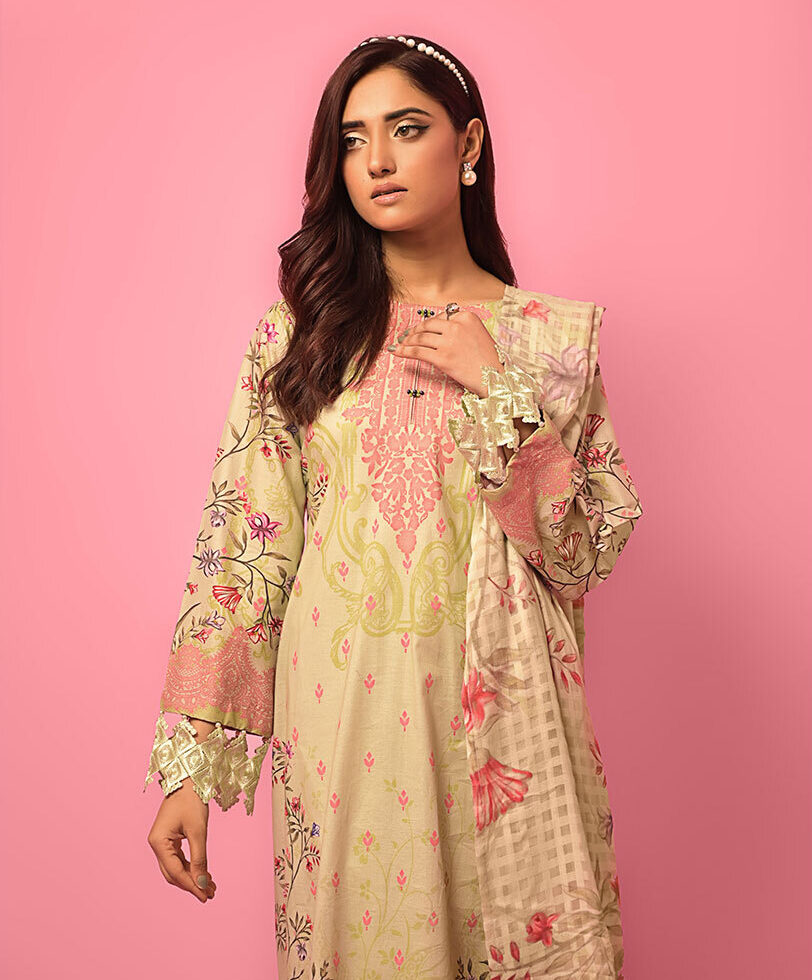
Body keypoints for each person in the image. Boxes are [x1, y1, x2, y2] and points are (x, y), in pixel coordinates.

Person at [143, 33, 643, 980]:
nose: (376, 159)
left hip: (502, 747)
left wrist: (501, 392)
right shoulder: (301, 338)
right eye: (353, 138)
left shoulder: (550, 339)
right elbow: (244, 554)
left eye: (407, 129)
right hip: (342, 739)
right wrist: (190, 770)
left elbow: (580, 554)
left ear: (468, 145)